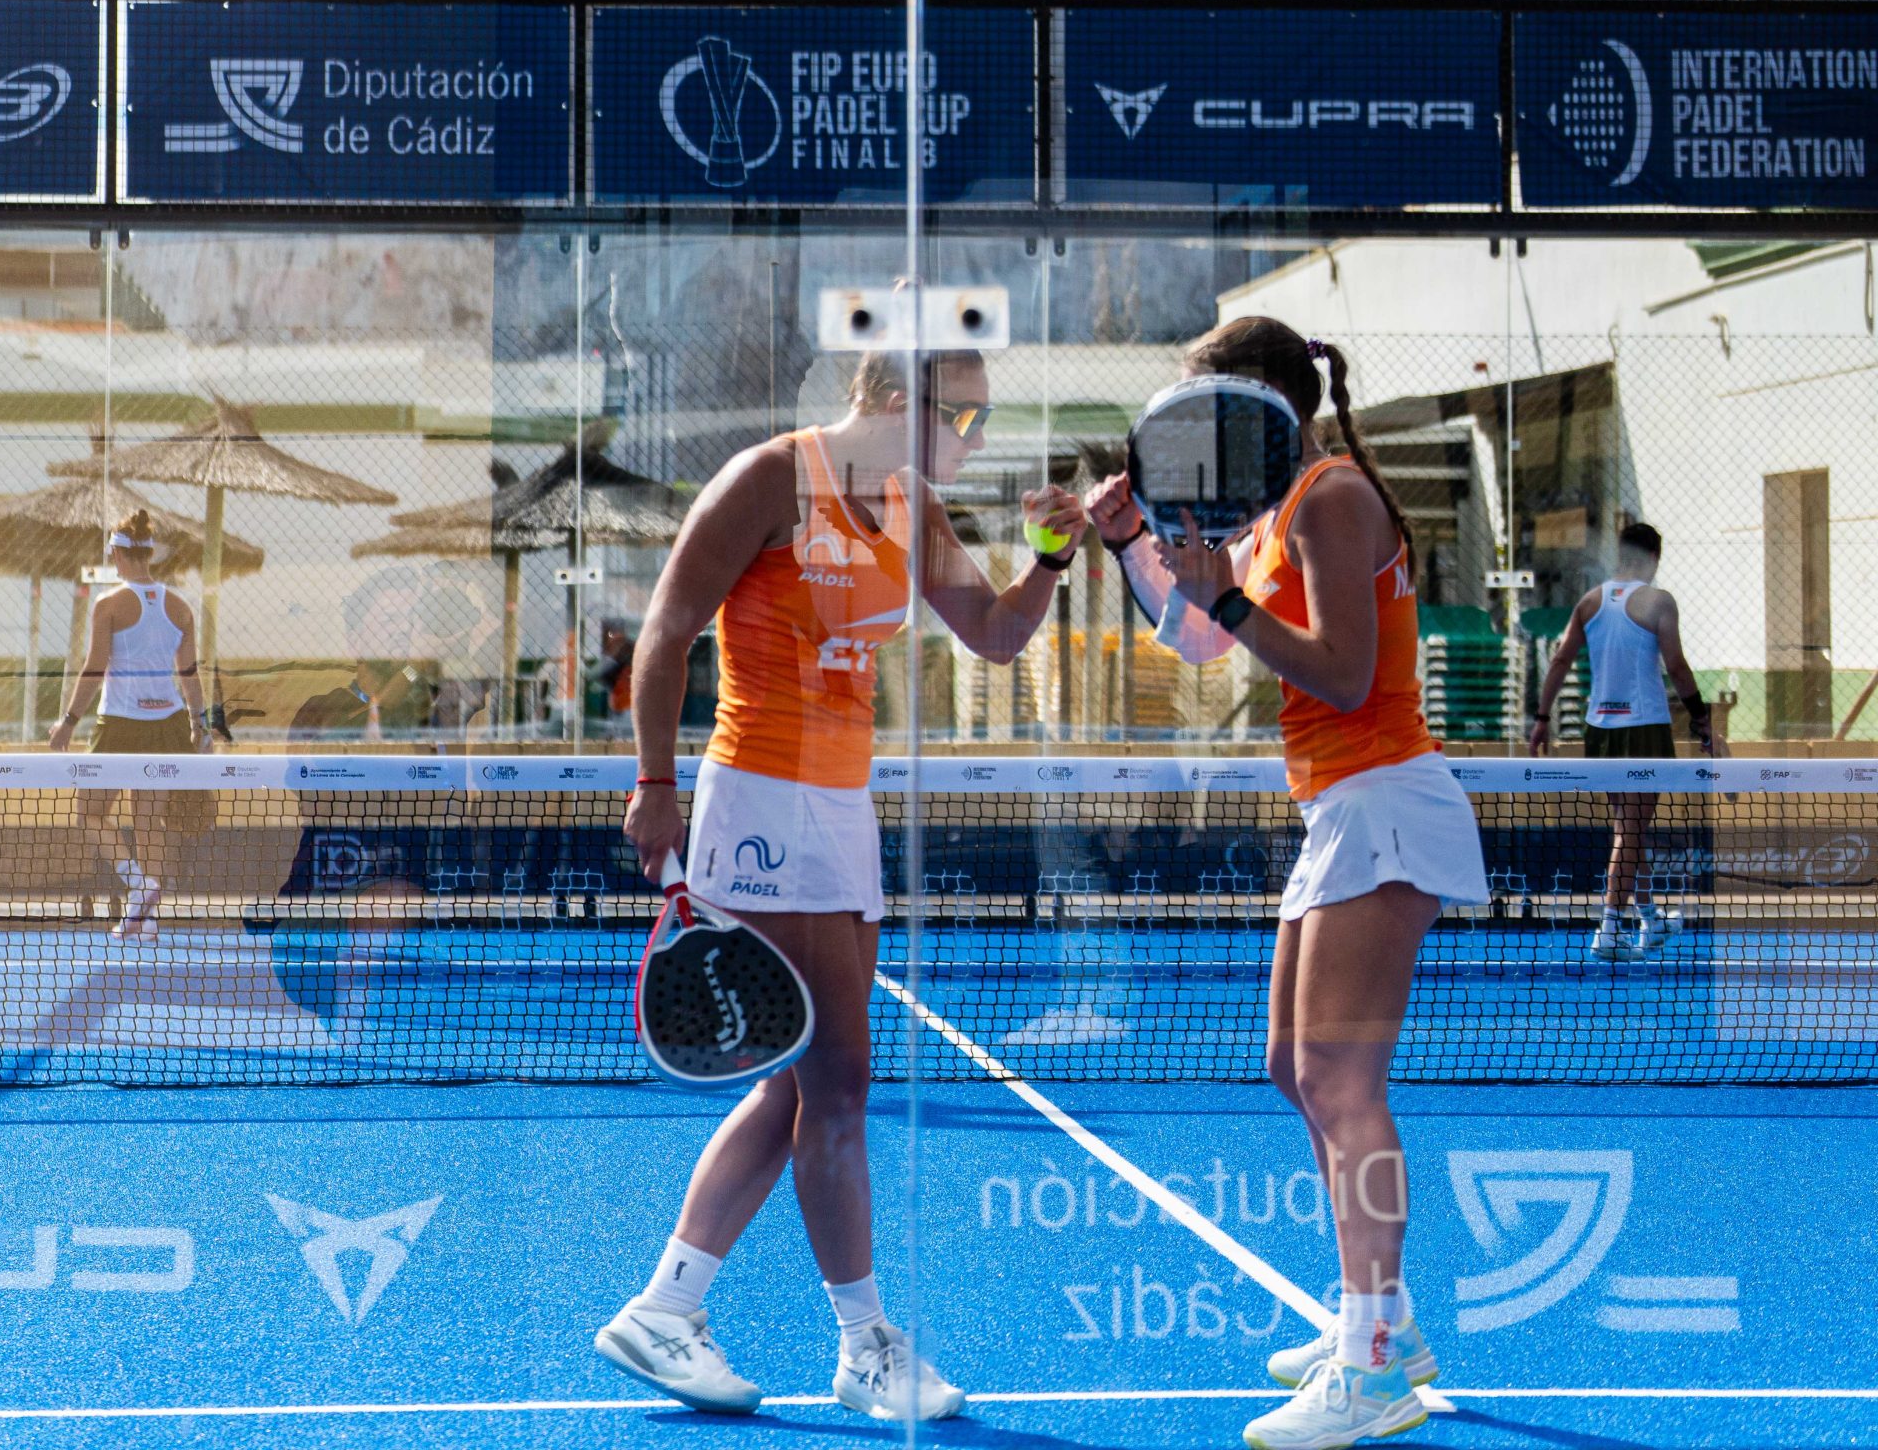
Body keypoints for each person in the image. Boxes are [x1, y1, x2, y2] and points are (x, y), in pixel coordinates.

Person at [595, 347, 1084, 1422]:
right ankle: (864, 1345)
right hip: (761, 800)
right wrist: (654, 784)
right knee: (841, 1082)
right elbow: (666, 635)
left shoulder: (914, 507)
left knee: (799, 1083)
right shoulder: (771, 478)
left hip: (843, 811)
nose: (977, 438)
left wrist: (1049, 557)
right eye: (966, 415)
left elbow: (995, 635)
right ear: (897, 401)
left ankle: (666, 1308)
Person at [1087, 318, 1486, 1450]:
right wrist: (1131, 545)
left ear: (1253, 406)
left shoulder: (1330, 497)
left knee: (1341, 1082)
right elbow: (1204, 643)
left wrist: (1229, 602)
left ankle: (1371, 1365)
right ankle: (1386, 1322)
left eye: (1200, 406)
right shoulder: (1276, 512)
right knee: (1291, 1067)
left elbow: (1348, 677)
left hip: (1383, 800)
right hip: (1341, 808)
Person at [1528, 518, 1724, 958]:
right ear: (1654, 557)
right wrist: (1701, 719)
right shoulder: (1658, 601)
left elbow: (1559, 660)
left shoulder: (1589, 601)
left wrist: (1541, 718)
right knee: (1631, 832)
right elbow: (1677, 666)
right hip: (1643, 729)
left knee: (1627, 829)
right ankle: (1610, 928)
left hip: (1600, 731)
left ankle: (1650, 920)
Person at [49, 508, 213, 940]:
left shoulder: (108, 604)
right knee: (148, 822)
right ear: (149, 554)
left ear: (118, 554)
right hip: (168, 725)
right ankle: (146, 915)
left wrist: (68, 721)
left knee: (89, 814)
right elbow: (189, 673)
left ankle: (139, 887)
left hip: (120, 727)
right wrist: (199, 725)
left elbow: (94, 668)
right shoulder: (180, 607)